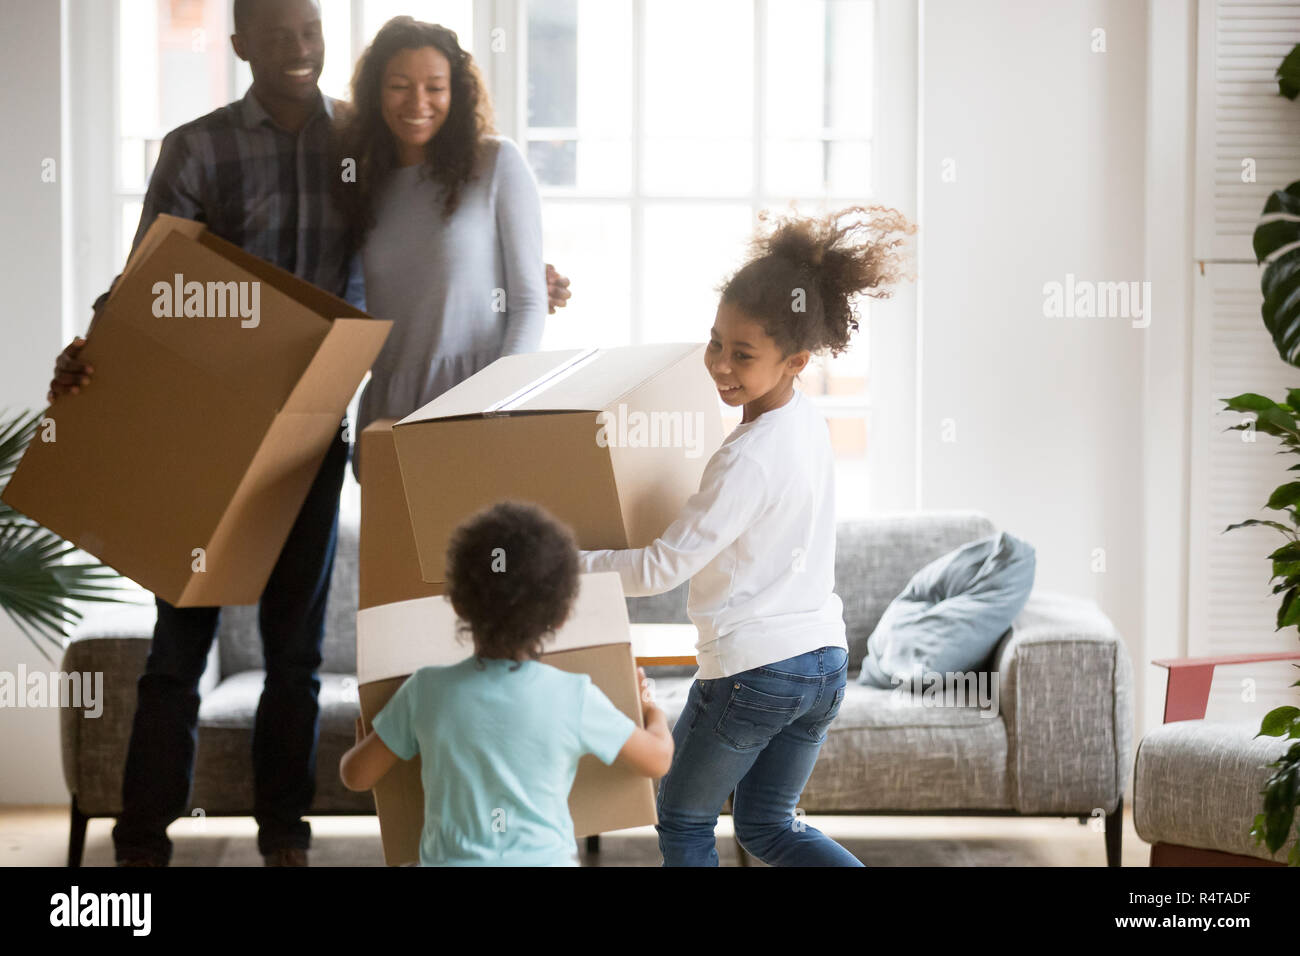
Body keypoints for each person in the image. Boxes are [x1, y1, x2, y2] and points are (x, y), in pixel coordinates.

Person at [42, 0, 572, 868]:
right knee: (178, 650)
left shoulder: (354, 146)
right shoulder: (199, 146)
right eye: (278, 34)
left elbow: (430, 255)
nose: (297, 50)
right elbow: (148, 283)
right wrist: (91, 352)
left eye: (311, 33)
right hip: (205, 441)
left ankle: (283, 836)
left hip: (312, 432)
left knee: (296, 654)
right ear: (241, 43)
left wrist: (528, 280)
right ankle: (141, 844)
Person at [578, 204, 917, 866]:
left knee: (680, 818)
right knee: (768, 827)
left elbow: (659, 569)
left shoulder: (747, 455)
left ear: (795, 360)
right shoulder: (807, 425)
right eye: (714, 343)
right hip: (821, 661)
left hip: (755, 671)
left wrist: (565, 563)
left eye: (743, 354)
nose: (720, 365)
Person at [340, 500, 673, 866]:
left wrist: (365, 737)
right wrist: (650, 709)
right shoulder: (572, 696)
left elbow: (356, 776)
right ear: (561, 615)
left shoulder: (426, 691)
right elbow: (656, 760)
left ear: (457, 604)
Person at [335, 17, 548, 481]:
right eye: (399, 86)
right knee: (394, 554)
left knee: (476, 552)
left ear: (457, 92)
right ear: (375, 92)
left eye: (435, 86)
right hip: (390, 405)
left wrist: (495, 405)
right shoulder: (364, 181)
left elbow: (530, 302)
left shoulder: (496, 163)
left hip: (478, 402)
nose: (418, 102)